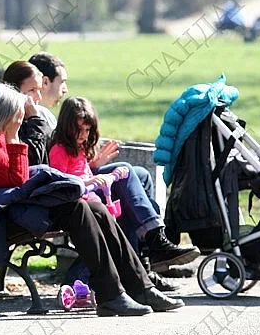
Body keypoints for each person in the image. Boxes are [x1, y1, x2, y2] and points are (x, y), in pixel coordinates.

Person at [0, 84, 183, 316]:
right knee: (77, 207)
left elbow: (16, 179)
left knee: (94, 206)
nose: (18, 121)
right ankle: (111, 295)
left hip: (7, 206)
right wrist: (14, 138)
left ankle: (141, 288)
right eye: (14, 116)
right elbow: (15, 179)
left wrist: (12, 139)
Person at [48, 97, 200, 279]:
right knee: (127, 174)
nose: (83, 135)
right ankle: (153, 244)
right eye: (78, 130)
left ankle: (146, 257)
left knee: (141, 175)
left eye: (87, 130)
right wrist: (92, 179)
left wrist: (94, 165)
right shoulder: (59, 149)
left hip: (91, 191)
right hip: (82, 199)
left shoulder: (78, 147)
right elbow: (63, 182)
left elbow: (82, 170)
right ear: (66, 126)